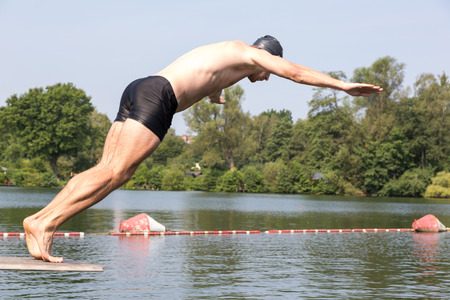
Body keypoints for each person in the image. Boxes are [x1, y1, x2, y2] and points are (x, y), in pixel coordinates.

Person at [23, 35, 383, 263]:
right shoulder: (253, 55)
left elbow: (206, 77)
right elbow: (296, 73)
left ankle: (42, 223)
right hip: (159, 98)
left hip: (140, 87)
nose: (266, 77)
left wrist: (215, 96)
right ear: (265, 55)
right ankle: (43, 222)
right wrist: (344, 85)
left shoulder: (230, 54)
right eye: (267, 70)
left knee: (107, 168)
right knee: (115, 173)